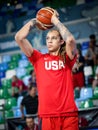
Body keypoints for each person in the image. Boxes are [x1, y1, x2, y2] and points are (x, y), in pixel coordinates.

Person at [15, 7, 79, 130]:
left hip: (68, 114)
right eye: (47, 38)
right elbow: (19, 38)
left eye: (53, 38)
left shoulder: (67, 58)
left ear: (61, 42)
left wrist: (54, 21)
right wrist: (35, 21)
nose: (49, 41)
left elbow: (70, 40)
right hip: (47, 115)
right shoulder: (38, 58)